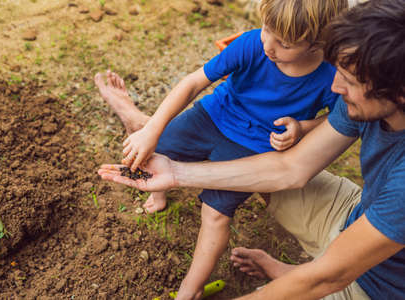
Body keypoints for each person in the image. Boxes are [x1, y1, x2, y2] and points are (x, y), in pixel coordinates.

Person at [98, 0, 405, 299]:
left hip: (378, 286)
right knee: (169, 152)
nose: (337, 88)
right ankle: (142, 123)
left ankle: (192, 290)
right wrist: (174, 169)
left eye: (349, 81)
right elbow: (290, 169)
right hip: (357, 213)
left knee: (219, 212)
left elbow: (329, 278)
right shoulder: (360, 94)